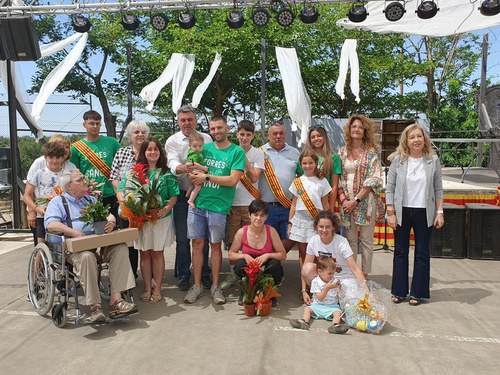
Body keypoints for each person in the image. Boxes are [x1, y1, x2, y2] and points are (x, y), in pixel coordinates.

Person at [44, 170, 137, 323]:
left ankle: (116, 300)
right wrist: (73, 232)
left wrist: (111, 222)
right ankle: (96, 307)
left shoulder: (90, 199)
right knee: (87, 256)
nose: (84, 181)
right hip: (75, 250)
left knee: (120, 248)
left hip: (98, 244)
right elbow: (51, 224)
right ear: (69, 186)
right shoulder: (58, 202)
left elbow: (108, 215)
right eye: (80, 180)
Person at [184, 116, 246, 305]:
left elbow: (233, 180)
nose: (216, 131)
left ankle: (216, 286)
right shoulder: (205, 148)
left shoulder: (236, 152)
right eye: (213, 128)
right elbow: (194, 170)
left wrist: (207, 177)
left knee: (216, 246)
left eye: (220, 127)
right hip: (198, 205)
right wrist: (192, 174)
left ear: (227, 128)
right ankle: (197, 286)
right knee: (196, 245)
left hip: (219, 207)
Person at [386, 123, 444, 306]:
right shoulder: (398, 160)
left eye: (419, 136)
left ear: (424, 139)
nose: (416, 140)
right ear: (406, 141)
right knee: (400, 252)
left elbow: (438, 187)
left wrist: (440, 212)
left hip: (424, 212)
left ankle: (418, 293)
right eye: (412, 137)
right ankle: (399, 291)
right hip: (402, 211)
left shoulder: (432, 160)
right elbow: (390, 187)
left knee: (422, 253)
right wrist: (391, 212)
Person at [119, 138, 179, 303]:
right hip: (142, 219)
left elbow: (174, 195)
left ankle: (157, 288)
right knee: (144, 253)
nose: (153, 152)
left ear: (160, 152)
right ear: (143, 153)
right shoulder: (135, 172)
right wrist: (129, 206)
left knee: (157, 253)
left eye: (156, 149)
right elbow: (121, 189)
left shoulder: (166, 173)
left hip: (161, 218)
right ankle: (147, 287)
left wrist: (167, 208)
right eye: (149, 149)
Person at [165, 105, 212, 291]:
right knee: (183, 238)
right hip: (182, 196)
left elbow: (210, 161)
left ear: (196, 120)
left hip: (204, 194)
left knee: (203, 237)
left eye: (190, 119)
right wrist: (185, 168)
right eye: (183, 120)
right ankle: (184, 274)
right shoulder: (173, 140)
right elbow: (172, 161)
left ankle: (205, 273)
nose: (186, 123)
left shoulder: (206, 139)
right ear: (178, 121)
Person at [338, 115, 384, 280]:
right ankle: (352, 274)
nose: (356, 129)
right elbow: (339, 177)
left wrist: (356, 200)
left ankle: (364, 275)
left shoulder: (371, 152)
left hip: (365, 202)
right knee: (350, 241)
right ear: (349, 130)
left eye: (360, 127)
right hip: (346, 202)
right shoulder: (342, 151)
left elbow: (375, 178)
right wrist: (345, 201)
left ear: (365, 131)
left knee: (366, 241)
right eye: (353, 126)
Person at [221, 120, 265, 290]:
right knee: (233, 241)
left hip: (250, 205)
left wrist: (242, 157)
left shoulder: (257, 154)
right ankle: (233, 274)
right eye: (242, 134)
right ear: (237, 134)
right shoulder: (229, 150)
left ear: (253, 136)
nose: (244, 137)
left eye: (248, 134)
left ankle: (251, 275)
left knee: (252, 241)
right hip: (232, 203)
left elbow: (254, 177)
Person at [110, 120, 150, 279]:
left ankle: (150, 276)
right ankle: (131, 275)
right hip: (127, 204)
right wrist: (122, 199)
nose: (140, 135)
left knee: (147, 242)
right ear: (129, 135)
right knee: (130, 243)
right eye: (136, 132)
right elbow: (114, 177)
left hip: (147, 204)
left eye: (143, 132)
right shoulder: (122, 153)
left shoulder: (151, 152)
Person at [301, 211, 367, 306]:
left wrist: (367, 293)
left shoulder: (341, 242)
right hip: (324, 278)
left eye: (327, 227)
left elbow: (355, 268)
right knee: (307, 268)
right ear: (316, 227)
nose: (324, 230)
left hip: (343, 278)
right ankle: (319, 293)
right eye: (321, 227)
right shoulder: (313, 241)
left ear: (333, 228)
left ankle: (333, 297)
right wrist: (304, 291)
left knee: (352, 304)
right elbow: (304, 270)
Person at [288, 150, 331, 297]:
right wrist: (290, 222)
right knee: (303, 254)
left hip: (316, 220)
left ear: (316, 163)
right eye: (304, 163)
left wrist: (329, 223)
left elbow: (326, 204)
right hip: (300, 219)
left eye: (310, 163)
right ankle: (304, 288)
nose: (307, 166)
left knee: (319, 254)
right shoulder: (297, 182)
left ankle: (319, 287)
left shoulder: (322, 181)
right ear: (301, 164)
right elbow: (293, 204)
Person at [70, 110, 122, 218]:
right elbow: (73, 172)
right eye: (91, 123)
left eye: (98, 124)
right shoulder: (76, 147)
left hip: (112, 193)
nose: (95, 126)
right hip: (89, 195)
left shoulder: (112, 142)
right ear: (84, 124)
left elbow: (122, 163)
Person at [26, 134, 76, 245]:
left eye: (67, 147)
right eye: (62, 146)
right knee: (41, 244)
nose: (65, 149)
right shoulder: (39, 167)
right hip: (42, 212)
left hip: (62, 213)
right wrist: (33, 211)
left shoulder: (70, 168)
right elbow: (28, 193)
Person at [228, 200, 286, 295]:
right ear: (249, 215)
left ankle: (270, 292)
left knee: (275, 264)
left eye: (262, 215)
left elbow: (283, 255)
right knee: (239, 265)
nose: (258, 218)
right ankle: (246, 292)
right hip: (249, 266)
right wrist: (245, 256)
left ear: (266, 217)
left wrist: (267, 255)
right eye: (255, 214)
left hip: (265, 266)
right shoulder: (242, 232)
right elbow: (231, 254)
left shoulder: (271, 231)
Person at [258, 123, 300, 251]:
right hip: (267, 207)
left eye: (281, 133)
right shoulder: (260, 152)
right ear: (268, 136)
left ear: (285, 135)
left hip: (288, 206)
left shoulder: (295, 152)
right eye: (274, 134)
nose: (278, 136)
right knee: (267, 240)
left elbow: (300, 178)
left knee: (292, 237)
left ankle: (273, 256)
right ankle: (273, 268)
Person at [289, 256, 349, 334]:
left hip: (331, 307)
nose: (331, 275)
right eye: (329, 273)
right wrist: (327, 288)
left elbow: (340, 294)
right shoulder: (316, 282)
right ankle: (304, 321)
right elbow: (320, 298)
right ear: (320, 272)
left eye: (333, 273)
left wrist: (340, 288)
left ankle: (335, 325)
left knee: (338, 313)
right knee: (307, 309)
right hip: (317, 305)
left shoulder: (334, 281)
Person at [303, 125, 342, 212]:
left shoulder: (334, 157)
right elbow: (299, 181)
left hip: (325, 201)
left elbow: (334, 186)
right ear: (309, 140)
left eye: (319, 135)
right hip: (307, 202)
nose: (316, 138)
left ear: (325, 137)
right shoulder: (305, 157)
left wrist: (330, 210)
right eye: (313, 137)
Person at [186, 132, 209, 208]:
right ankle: (191, 200)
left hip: (194, 172)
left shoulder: (196, 152)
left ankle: (187, 193)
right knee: (198, 187)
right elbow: (194, 163)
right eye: (195, 146)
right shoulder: (194, 154)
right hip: (195, 171)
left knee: (193, 184)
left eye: (200, 146)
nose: (198, 148)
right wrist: (204, 168)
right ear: (190, 146)